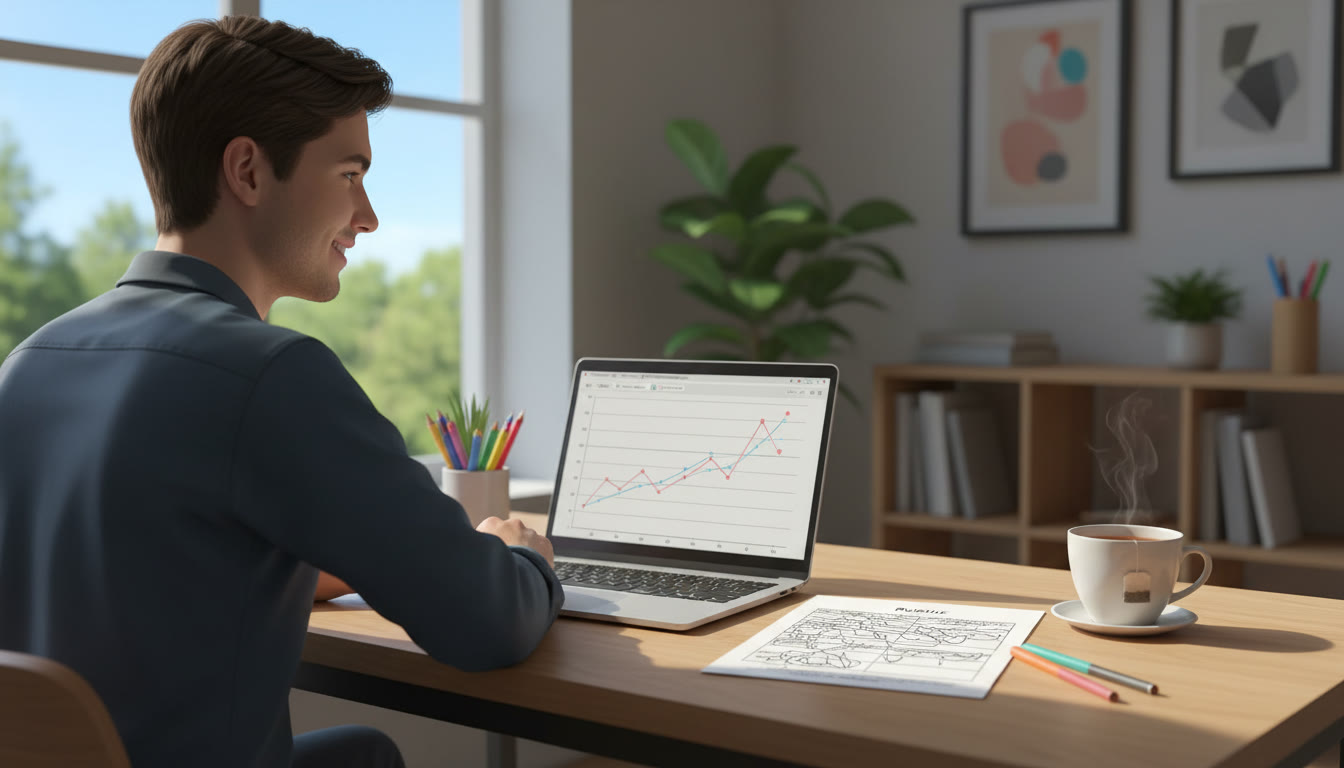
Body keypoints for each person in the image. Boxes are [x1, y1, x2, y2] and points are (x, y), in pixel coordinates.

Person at [0, 16, 562, 768]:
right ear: (249, 171)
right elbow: (484, 625)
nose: (368, 217)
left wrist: (295, 563)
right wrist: (524, 560)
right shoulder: (268, 374)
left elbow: (131, 565)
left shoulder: (32, 360)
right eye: (350, 175)